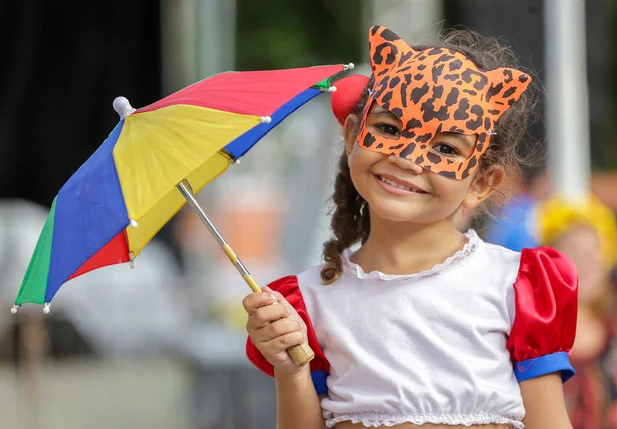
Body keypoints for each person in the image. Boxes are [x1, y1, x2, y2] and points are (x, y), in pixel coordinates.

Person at [242, 25, 578, 429]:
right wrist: (291, 368)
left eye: (445, 148)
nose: (407, 157)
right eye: (388, 128)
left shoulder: (516, 287)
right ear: (352, 135)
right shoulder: (307, 306)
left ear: (481, 183)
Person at [536, 194, 617, 429]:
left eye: (596, 250)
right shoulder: (529, 336)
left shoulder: (613, 331)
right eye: (574, 249)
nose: (586, 260)